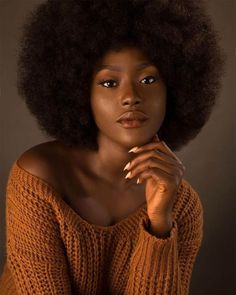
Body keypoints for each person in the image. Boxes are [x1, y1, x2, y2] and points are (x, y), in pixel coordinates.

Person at [0, 0, 225, 294]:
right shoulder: (39, 179)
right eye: (109, 83)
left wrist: (159, 223)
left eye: (148, 79)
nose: (131, 96)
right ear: (81, 92)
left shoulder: (182, 207)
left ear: (174, 88)